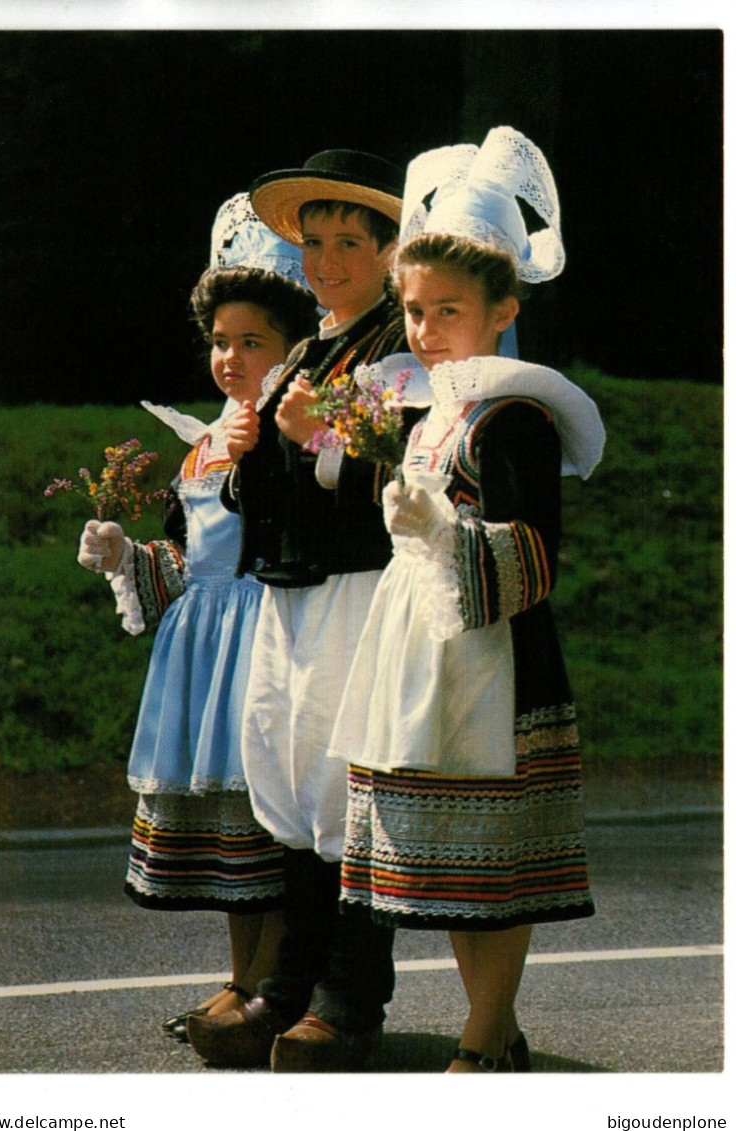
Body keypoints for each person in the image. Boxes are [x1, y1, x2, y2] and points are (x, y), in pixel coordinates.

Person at [326, 127, 606, 1072]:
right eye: (412, 309)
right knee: (452, 859)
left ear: (501, 313)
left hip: (495, 651)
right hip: (423, 646)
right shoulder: (432, 406)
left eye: (447, 309)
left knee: (496, 855)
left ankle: (487, 1032)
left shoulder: (514, 412)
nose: (424, 328)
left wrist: (442, 536)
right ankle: (498, 1028)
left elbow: (533, 548)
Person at [186, 149, 412, 1073]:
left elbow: (391, 479)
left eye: (348, 242)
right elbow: (264, 492)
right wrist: (244, 459)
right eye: (313, 242)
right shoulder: (315, 344)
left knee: (346, 790)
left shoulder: (399, 344)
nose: (324, 261)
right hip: (290, 588)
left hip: (357, 586)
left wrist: (313, 439)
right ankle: (288, 987)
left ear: (391, 250)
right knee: (288, 780)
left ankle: (349, 1000)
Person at [76, 192, 319, 1042]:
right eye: (221, 340)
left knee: (266, 820)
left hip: (264, 640)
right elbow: (187, 559)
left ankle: (274, 983)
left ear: (294, 348)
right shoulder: (202, 444)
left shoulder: (290, 438)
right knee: (228, 835)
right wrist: (126, 557)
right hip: (203, 655)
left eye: (253, 341)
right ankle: (241, 972)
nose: (231, 357)